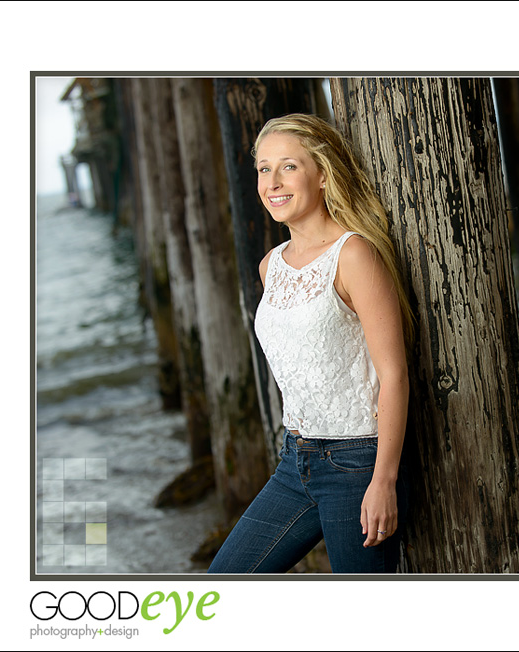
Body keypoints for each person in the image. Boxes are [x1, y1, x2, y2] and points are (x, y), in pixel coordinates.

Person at [208, 113, 413, 574]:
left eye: (289, 167)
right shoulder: (270, 266)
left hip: (356, 462)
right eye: (264, 169)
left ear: (322, 175)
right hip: (295, 460)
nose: (273, 182)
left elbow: (394, 375)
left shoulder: (354, 254)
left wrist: (384, 480)